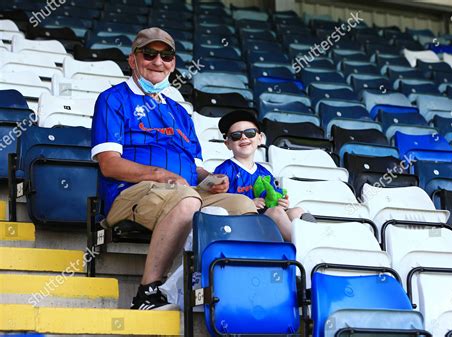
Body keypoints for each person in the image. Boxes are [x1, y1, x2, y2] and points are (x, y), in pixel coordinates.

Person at [91, 27, 257, 311]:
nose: (158, 61)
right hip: (131, 193)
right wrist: (160, 175)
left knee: (243, 205)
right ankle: (148, 290)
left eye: (166, 55)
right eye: (150, 54)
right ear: (133, 60)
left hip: (185, 190)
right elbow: (109, 164)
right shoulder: (113, 99)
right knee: (187, 199)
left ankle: (229, 286)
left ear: (173, 63)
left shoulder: (180, 112)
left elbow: (196, 170)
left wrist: (212, 180)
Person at [214, 110, 304, 241]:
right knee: (276, 212)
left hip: (266, 222)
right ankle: (303, 248)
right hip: (241, 224)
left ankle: (315, 245)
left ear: (260, 138)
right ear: (227, 144)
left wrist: (281, 202)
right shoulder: (224, 170)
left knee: (297, 211)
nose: (244, 138)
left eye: (250, 133)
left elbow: (272, 197)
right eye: (236, 135)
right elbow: (218, 203)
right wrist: (249, 204)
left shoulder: (264, 172)